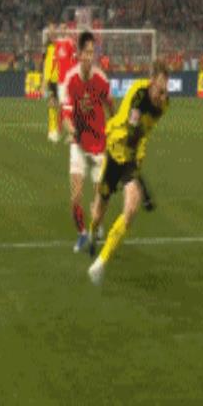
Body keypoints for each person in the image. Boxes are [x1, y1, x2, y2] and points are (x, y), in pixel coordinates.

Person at [87, 61, 170, 285]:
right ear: (151, 83)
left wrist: (138, 174)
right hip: (115, 149)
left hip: (132, 156)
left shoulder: (163, 105)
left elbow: (143, 135)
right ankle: (93, 231)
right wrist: (142, 183)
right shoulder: (138, 94)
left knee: (132, 206)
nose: (163, 96)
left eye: (166, 91)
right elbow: (132, 132)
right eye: (160, 91)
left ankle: (101, 262)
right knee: (99, 211)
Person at [62, 31, 114, 253]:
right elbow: (66, 115)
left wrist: (115, 131)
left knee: (100, 197)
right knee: (75, 196)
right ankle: (82, 233)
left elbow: (111, 107)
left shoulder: (101, 79)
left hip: (99, 144)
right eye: (86, 52)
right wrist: (72, 130)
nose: (90, 57)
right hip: (78, 143)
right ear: (79, 54)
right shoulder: (71, 79)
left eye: (93, 53)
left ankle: (97, 224)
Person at [55, 24, 77, 141]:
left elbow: (74, 61)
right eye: (61, 28)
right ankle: (59, 131)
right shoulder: (57, 43)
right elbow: (56, 62)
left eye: (64, 28)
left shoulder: (70, 43)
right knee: (60, 106)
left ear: (66, 30)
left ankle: (72, 133)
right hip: (60, 80)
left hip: (68, 81)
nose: (62, 30)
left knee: (68, 107)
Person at [41, 23, 60, 142]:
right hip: (53, 81)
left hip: (63, 80)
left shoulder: (62, 45)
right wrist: (45, 80)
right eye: (50, 31)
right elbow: (47, 66)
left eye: (53, 31)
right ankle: (52, 130)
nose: (52, 33)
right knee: (52, 103)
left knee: (67, 106)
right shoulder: (48, 48)